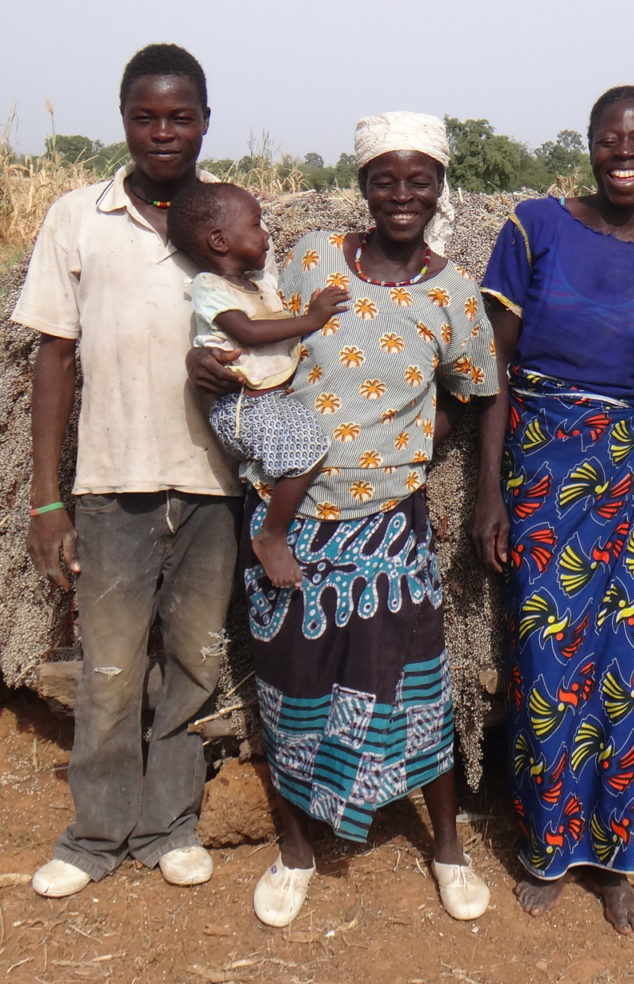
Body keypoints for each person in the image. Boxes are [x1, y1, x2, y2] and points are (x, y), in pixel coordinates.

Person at [191, 112, 497, 927]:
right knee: (294, 678)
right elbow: (256, 336)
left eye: (419, 178)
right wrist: (207, 361)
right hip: (292, 520)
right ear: (363, 185)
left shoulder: (455, 293)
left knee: (414, 684)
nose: (402, 194)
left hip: (391, 522)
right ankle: (295, 849)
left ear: (440, 187)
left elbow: (481, 395)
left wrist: (441, 464)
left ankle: (446, 848)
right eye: (385, 179)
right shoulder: (314, 258)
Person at [472, 86, 634, 934]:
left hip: (630, 490)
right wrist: (488, 492)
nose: (625, 152)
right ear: (589, 143)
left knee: (626, 675)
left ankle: (615, 862)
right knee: (545, 665)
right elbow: (493, 366)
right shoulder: (534, 227)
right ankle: (546, 849)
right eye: (611, 137)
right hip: (543, 479)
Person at [11, 43, 244, 898]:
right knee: (109, 667)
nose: (163, 132)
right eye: (146, 116)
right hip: (112, 484)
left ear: (204, 123)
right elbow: (55, 360)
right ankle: (94, 834)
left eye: (180, 116)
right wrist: (47, 500)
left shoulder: (227, 218)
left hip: (213, 484)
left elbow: (268, 333)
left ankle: (171, 824)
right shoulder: (80, 216)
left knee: (192, 660)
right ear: (124, 122)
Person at [168, 181, 349, 588]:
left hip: (269, 401)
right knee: (307, 449)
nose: (266, 234)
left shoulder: (262, 284)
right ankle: (271, 536)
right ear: (219, 241)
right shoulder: (210, 287)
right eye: (255, 225)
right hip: (242, 408)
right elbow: (246, 332)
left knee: (312, 442)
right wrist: (313, 319)